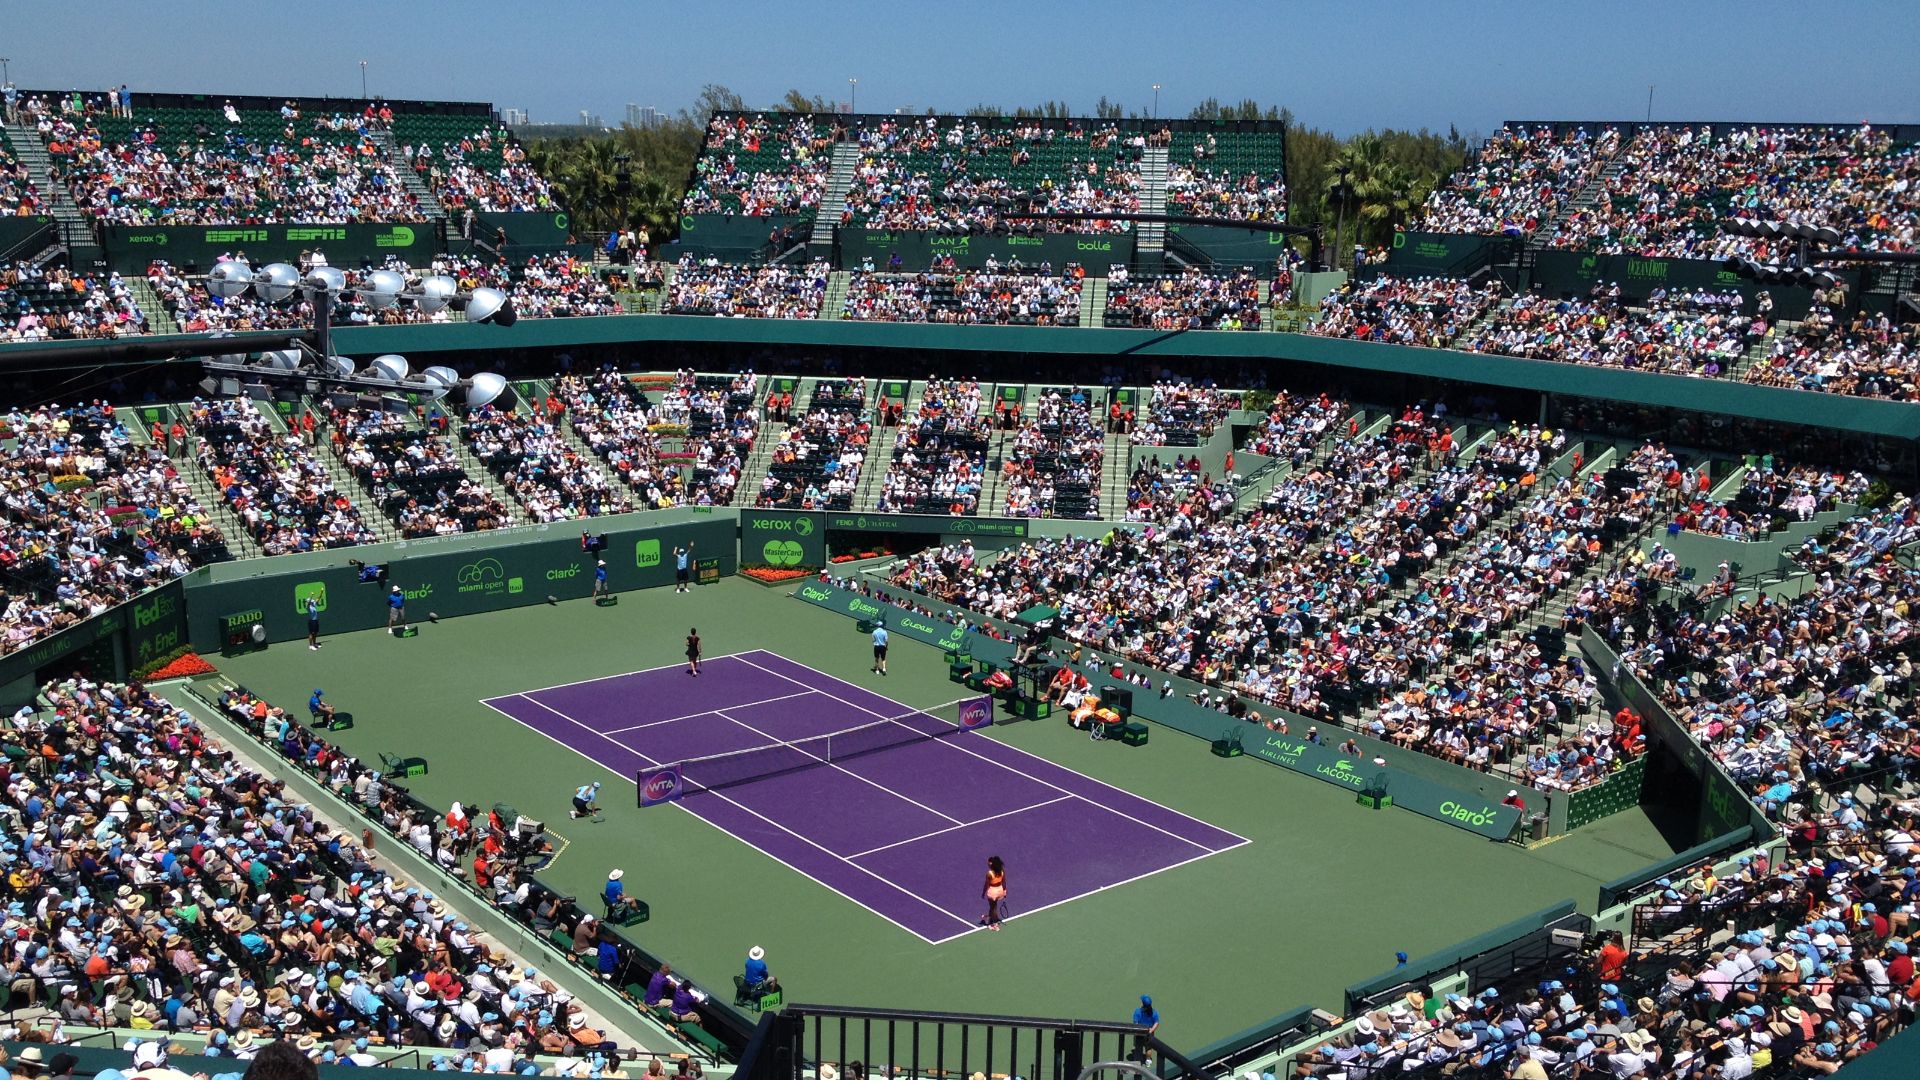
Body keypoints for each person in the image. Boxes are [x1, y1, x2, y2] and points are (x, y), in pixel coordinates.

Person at [981, 855, 1006, 930]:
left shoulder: (989, 873)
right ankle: (991, 918)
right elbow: (1004, 882)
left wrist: (983, 893)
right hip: (1000, 890)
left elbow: (986, 884)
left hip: (993, 892)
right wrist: (1004, 892)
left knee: (993, 908)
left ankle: (995, 925)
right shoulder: (1002, 871)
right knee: (993, 906)